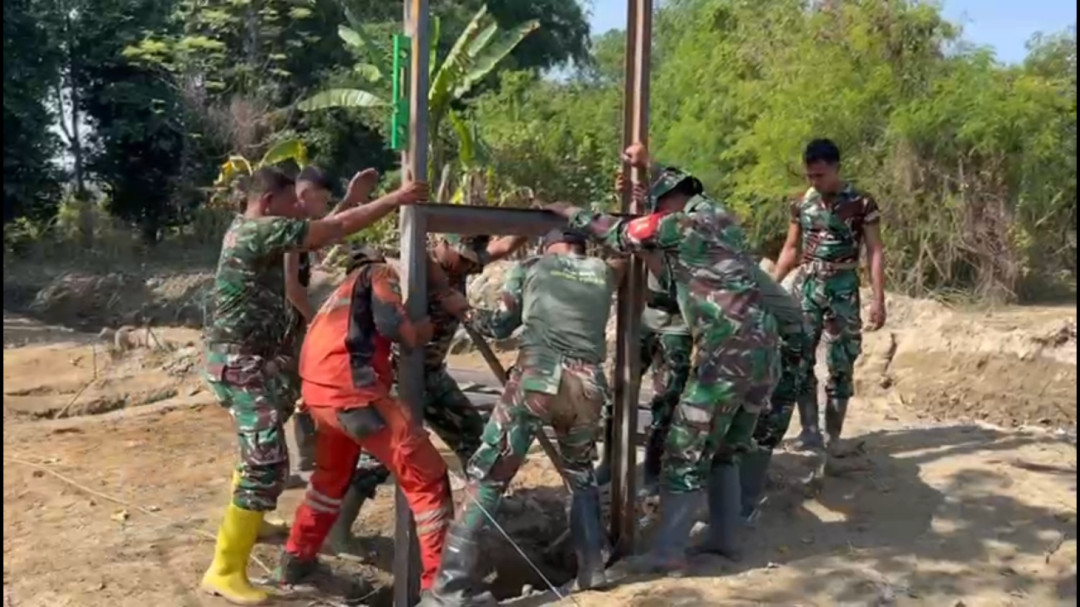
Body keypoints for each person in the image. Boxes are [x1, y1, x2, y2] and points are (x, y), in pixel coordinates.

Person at [545, 144, 780, 575]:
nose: (658, 211)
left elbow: (621, 234)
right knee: (726, 449)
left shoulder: (681, 224)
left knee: (683, 450)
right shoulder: (722, 218)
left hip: (725, 351)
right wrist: (647, 170)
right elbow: (669, 266)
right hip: (763, 350)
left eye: (658, 203)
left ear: (671, 201)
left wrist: (572, 212)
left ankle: (669, 549)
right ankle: (724, 541)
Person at [199, 166, 426, 605]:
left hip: (260, 360)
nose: (297, 210)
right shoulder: (255, 232)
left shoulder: (256, 230)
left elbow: (323, 228)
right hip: (240, 362)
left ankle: (255, 520)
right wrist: (393, 200)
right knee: (265, 461)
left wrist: (355, 201)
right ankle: (224, 569)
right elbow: (330, 229)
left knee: (259, 447)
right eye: (290, 204)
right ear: (268, 203)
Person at [420, 228, 622, 606]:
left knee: (488, 477)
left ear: (547, 246)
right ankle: (592, 567)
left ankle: (451, 588)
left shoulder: (530, 266)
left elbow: (498, 326)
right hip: (588, 386)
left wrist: (459, 305)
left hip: (537, 382)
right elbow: (624, 254)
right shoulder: (603, 271)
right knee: (580, 476)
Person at [276, 247, 468, 592]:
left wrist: (440, 295)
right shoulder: (379, 274)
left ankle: (297, 560)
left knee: (329, 480)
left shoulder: (341, 294)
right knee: (429, 477)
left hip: (320, 393)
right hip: (352, 391)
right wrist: (417, 333)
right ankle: (439, 586)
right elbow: (393, 324)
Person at [329, 233, 528, 552]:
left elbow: (503, 246)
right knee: (382, 458)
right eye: (462, 256)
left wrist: (533, 222)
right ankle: (337, 532)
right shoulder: (412, 268)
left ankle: (484, 512)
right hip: (400, 378)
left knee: (474, 438)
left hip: (433, 376)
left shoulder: (461, 264)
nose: (468, 264)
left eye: (472, 259)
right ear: (442, 243)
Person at [773, 139, 887, 452]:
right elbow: (791, 249)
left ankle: (833, 437)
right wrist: (769, 287)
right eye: (810, 176)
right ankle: (809, 432)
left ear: (836, 168)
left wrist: (878, 299)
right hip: (807, 286)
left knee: (842, 361)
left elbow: (875, 251)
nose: (815, 182)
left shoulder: (862, 203)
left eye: (820, 175)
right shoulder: (801, 204)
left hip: (842, 287)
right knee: (798, 358)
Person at [286, 166, 378, 479]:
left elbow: (326, 228)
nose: (325, 207)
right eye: (323, 200)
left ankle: (305, 459)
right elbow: (293, 290)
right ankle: (291, 464)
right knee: (294, 393)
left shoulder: (298, 225)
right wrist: (317, 325)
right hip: (286, 326)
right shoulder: (286, 227)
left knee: (301, 392)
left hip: (293, 323)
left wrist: (351, 200)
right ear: (306, 195)